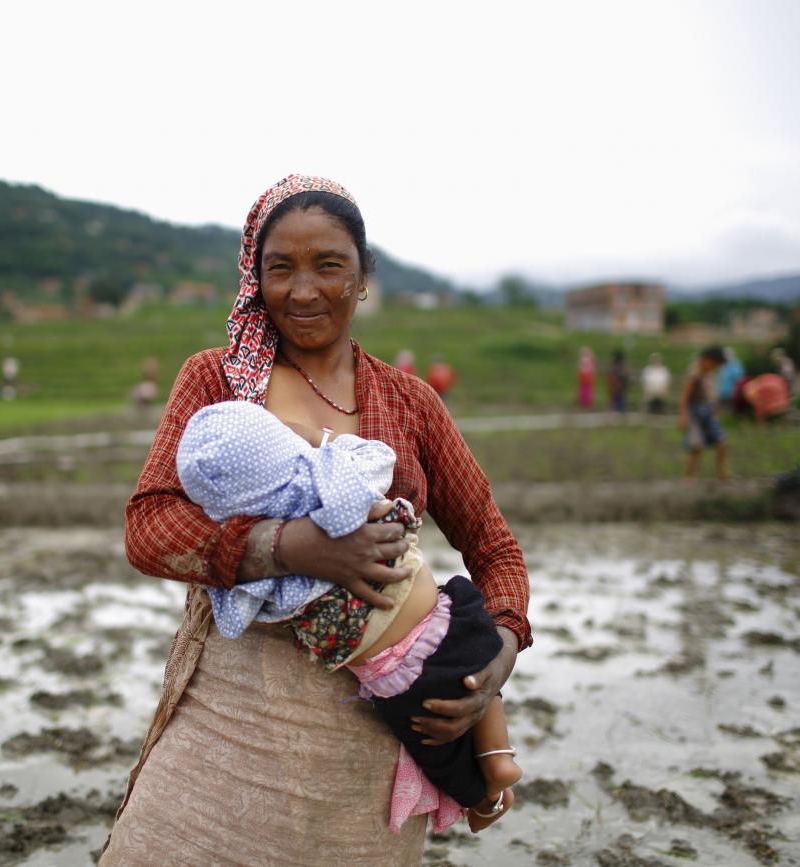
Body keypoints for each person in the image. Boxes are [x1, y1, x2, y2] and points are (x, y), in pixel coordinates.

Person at [101, 175, 531, 866]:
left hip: (365, 746)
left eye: (329, 265)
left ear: (363, 278)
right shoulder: (216, 380)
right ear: (254, 277)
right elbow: (149, 527)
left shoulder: (410, 401)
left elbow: (493, 543)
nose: (303, 291)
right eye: (280, 269)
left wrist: (499, 654)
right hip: (228, 718)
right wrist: (291, 547)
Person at [176, 400, 521, 832]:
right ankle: (496, 762)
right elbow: (378, 459)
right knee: (467, 646)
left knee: (435, 731)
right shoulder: (324, 477)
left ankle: (481, 792)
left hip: (378, 677)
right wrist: (318, 443)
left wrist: (258, 560)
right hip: (425, 623)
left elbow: (493, 546)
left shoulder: (405, 402)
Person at [678, 346, 729, 480]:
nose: (716, 367)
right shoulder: (694, 373)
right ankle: (688, 477)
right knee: (697, 447)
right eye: (715, 364)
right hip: (694, 412)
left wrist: (715, 411)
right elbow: (684, 397)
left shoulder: (709, 374)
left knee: (721, 442)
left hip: (707, 411)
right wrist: (683, 416)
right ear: (707, 360)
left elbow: (711, 395)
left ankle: (722, 474)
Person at [606, 349, 630, 414]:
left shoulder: (616, 366)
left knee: (618, 401)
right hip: (618, 387)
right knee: (618, 401)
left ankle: (617, 411)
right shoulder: (621, 366)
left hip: (618, 388)